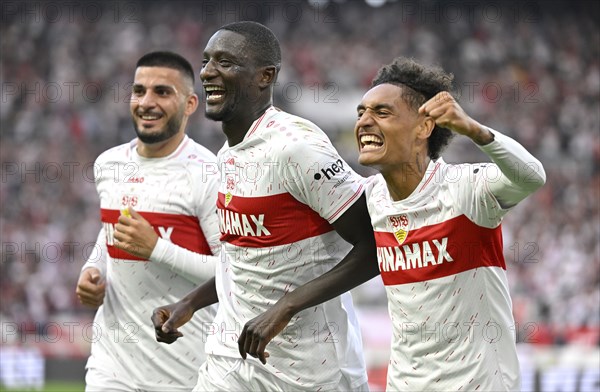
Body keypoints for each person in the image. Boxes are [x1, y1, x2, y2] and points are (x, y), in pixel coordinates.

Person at [151, 21, 379, 391]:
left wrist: (285, 308)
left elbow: (375, 247)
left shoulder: (297, 147)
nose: (207, 72)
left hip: (310, 369)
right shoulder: (227, 155)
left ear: (265, 76)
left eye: (225, 62)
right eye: (206, 61)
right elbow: (244, 259)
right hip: (231, 356)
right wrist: (190, 303)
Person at [355, 57, 546, 391]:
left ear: (424, 127)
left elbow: (532, 177)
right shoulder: (372, 199)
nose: (364, 122)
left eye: (381, 113)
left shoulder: (466, 189)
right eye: (362, 112)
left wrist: (475, 130)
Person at [75, 51, 221, 392]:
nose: (146, 102)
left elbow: (232, 272)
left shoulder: (209, 173)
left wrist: (157, 248)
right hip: (111, 368)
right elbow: (109, 232)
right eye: (139, 91)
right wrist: (92, 269)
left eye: (162, 92)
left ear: (189, 104)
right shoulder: (109, 165)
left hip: (185, 372)